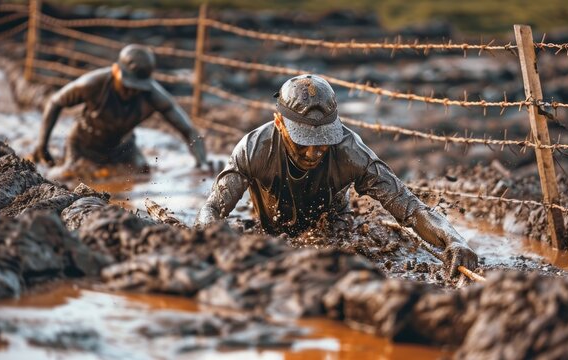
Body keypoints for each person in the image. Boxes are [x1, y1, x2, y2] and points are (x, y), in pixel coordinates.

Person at [196, 74, 477, 277]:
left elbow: (411, 208)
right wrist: (210, 240)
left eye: (324, 139)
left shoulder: (350, 151)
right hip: (269, 232)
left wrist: (454, 240)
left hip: (332, 235)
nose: (314, 152)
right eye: (304, 140)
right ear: (279, 123)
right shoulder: (254, 149)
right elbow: (212, 208)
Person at [31, 44, 207, 174]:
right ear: (115, 70)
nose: (131, 91)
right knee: (69, 176)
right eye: (127, 84)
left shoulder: (154, 95)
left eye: (138, 87)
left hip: (123, 147)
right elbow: (55, 102)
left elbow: (187, 129)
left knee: (144, 174)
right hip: (84, 145)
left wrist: (202, 163)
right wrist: (42, 144)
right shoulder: (91, 84)